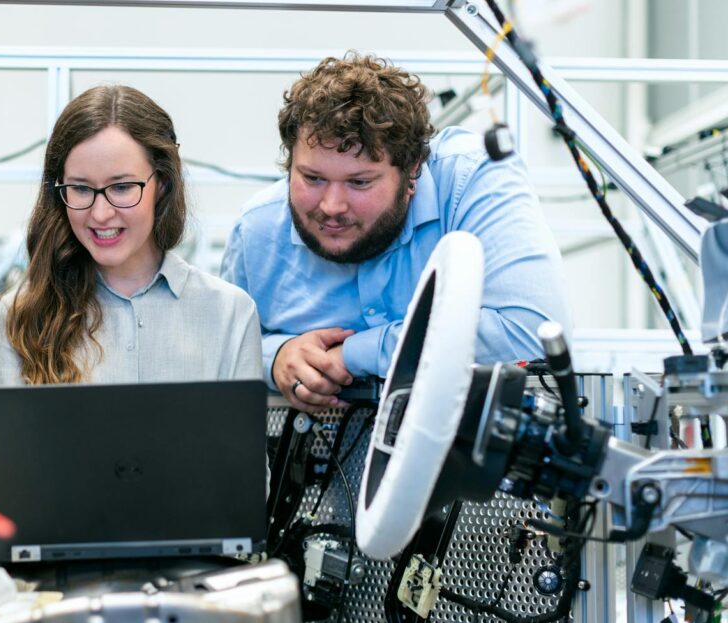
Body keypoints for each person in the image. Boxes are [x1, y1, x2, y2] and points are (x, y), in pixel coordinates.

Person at [221, 53, 570, 414]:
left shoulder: (472, 181)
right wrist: (276, 357)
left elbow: (531, 332)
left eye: (359, 182)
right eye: (313, 178)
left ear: (412, 168)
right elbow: (222, 349)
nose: (331, 206)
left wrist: (352, 355)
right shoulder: (257, 231)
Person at [0, 85, 261, 386]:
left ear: (163, 184)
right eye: (80, 188)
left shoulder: (230, 314)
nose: (101, 213)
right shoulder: (21, 316)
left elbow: (237, 435)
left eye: (121, 187)